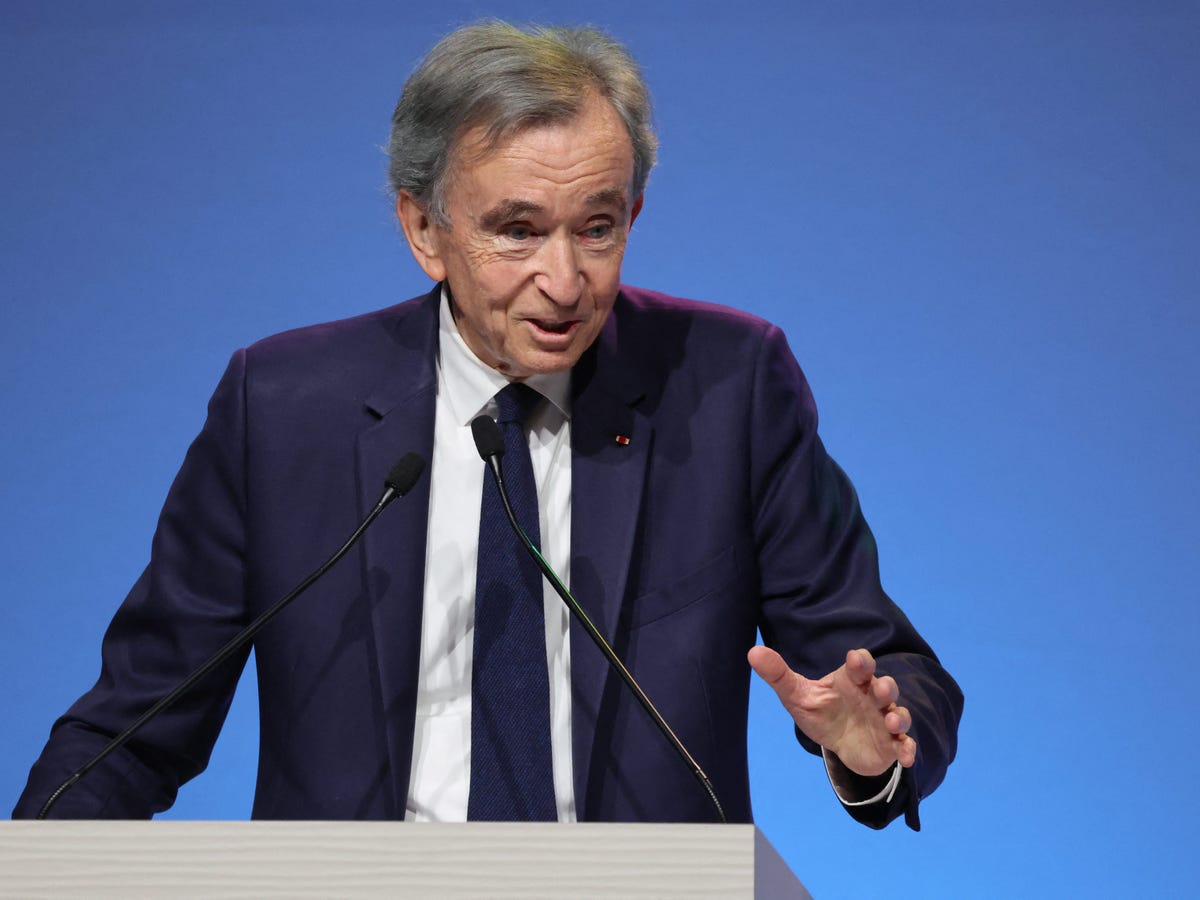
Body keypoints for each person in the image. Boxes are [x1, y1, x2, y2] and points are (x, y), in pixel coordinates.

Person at [14, 22, 961, 829]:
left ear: (634, 212)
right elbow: (130, 731)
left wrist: (870, 749)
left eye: (597, 228)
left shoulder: (728, 386)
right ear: (424, 230)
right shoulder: (283, 408)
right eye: (517, 230)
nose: (565, 280)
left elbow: (887, 666)